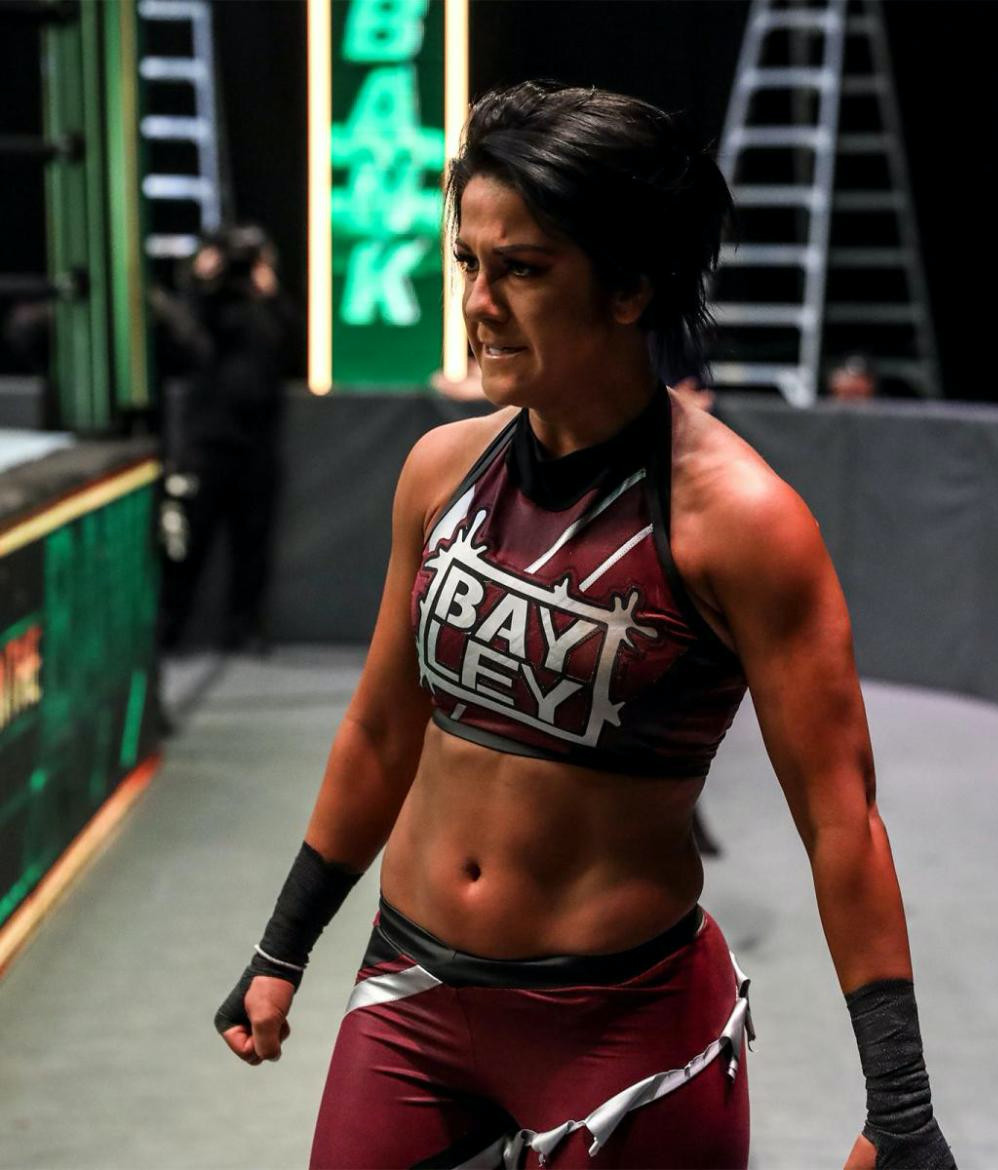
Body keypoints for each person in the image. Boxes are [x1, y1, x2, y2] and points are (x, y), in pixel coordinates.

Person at [215, 82, 955, 1170]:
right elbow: (379, 732)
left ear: (630, 287)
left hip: (624, 1038)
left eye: (522, 269)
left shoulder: (744, 525)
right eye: (468, 262)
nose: (478, 303)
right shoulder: (439, 472)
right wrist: (284, 948)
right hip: (410, 995)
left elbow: (841, 821)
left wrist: (902, 1109)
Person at [158, 224, 300, 653]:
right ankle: (170, 628)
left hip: (256, 443)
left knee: (252, 543)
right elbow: (183, 334)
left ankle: (245, 629)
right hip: (208, 442)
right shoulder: (206, 304)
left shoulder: (266, 309)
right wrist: (202, 280)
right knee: (189, 541)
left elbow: (291, 345)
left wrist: (269, 292)